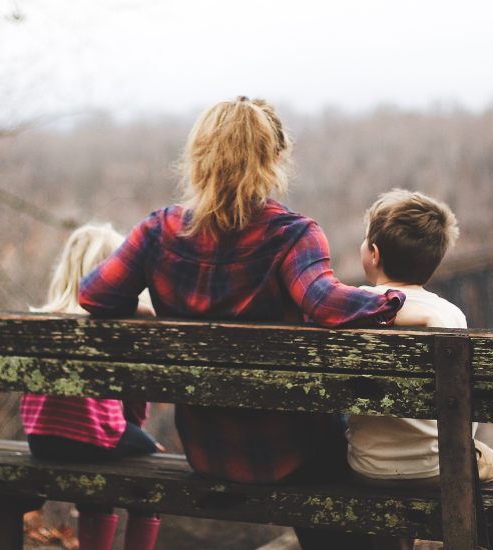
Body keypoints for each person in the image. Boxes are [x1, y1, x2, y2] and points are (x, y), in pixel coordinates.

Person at [79, 96, 404, 549]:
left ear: (199, 158)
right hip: (295, 455)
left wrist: (144, 311)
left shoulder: (158, 232)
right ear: (273, 160)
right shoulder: (292, 234)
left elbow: (94, 295)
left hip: (208, 453)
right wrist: (396, 299)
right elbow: (326, 303)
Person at [346, 189, 493, 550]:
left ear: (374, 254)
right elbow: (465, 414)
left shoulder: (352, 307)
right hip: (437, 469)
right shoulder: (449, 316)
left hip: (366, 466)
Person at [24, 223, 161, 550]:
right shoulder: (113, 328)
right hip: (91, 437)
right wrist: (132, 433)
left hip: (40, 440)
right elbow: (133, 401)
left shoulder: (42, 323)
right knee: (152, 471)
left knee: (103, 458)